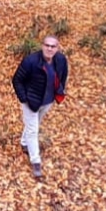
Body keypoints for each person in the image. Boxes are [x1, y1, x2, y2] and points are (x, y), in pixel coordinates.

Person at [11, 35, 68, 179]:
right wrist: (24, 99)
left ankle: (24, 143)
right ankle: (35, 161)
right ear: (42, 46)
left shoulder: (61, 60)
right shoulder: (31, 61)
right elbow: (17, 79)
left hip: (47, 101)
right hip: (31, 101)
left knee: (34, 125)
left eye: (53, 46)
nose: (49, 48)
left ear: (57, 48)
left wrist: (59, 92)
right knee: (33, 130)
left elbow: (62, 77)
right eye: (47, 45)